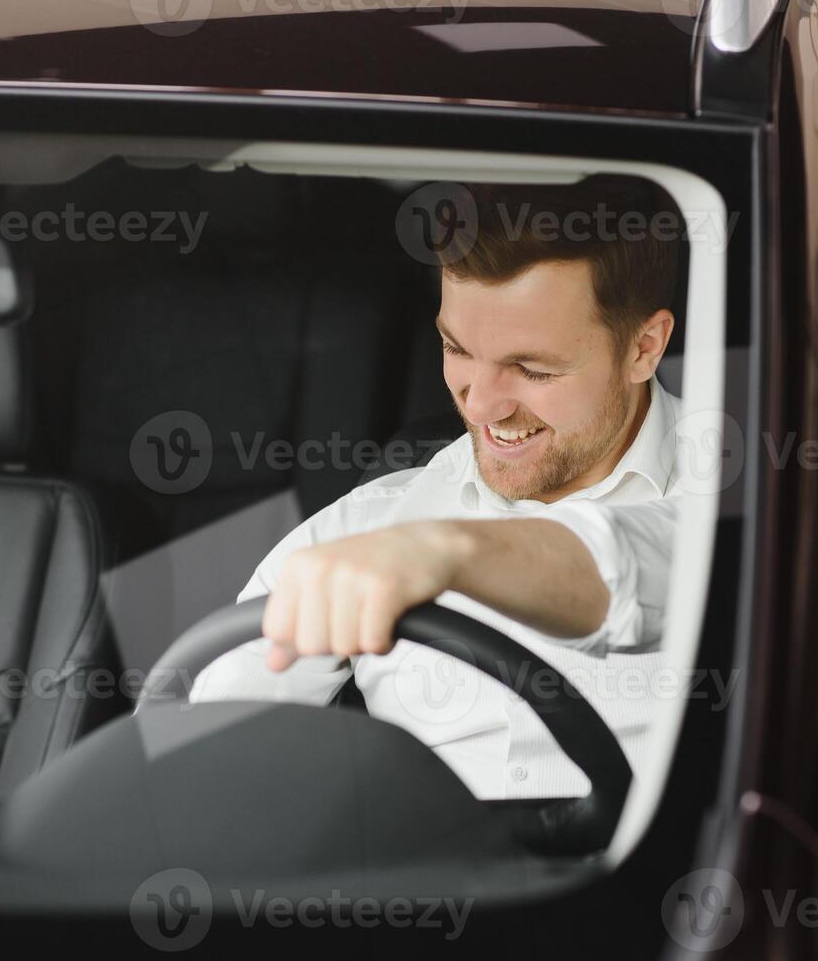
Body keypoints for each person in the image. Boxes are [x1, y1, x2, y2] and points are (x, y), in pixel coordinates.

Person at [192, 176, 687, 799]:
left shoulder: (750, 500)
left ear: (645, 347)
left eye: (532, 369)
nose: (483, 407)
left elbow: (662, 565)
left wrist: (445, 554)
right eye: (456, 348)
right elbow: (189, 751)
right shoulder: (371, 521)